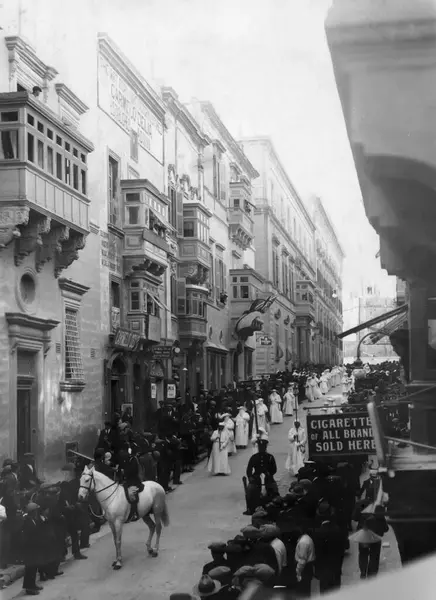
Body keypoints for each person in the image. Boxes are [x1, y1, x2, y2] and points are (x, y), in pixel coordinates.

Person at [59, 463, 88, 560]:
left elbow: (72, 501)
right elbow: (64, 504)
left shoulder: (67, 487)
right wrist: (71, 507)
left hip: (69, 516)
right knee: (66, 535)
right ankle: (66, 554)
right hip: (64, 516)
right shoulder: (64, 489)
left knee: (73, 534)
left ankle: (72, 553)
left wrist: (74, 506)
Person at [244, 438, 278, 516]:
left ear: (265, 447)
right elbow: (249, 469)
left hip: (268, 478)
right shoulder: (254, 457)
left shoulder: (270, 457)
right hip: (256, 478)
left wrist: (269, 474)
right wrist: (250, 477)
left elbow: (274, 469)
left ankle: (274, 507)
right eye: (260, 447)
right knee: (250, 490)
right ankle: (250, 508)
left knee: (274, 489)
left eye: (263, 447)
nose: (261, 448)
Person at [21, 502, 44, 595]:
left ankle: (33, 584)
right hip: (29, 549)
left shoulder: (33, 520)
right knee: (30, 569)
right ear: (32, 512)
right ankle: (29, 588)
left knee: (34, 568)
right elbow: (28, 537)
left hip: (34, 548)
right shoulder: (27, 522)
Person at [118, 447, 142, 522]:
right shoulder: (125, 461)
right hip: (126, 481)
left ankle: (135, 513)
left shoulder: (133, 460)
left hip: (134, 481)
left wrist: (124, 472)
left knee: (132, 495)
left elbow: (133, 471)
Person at [294, 526, 316, 597]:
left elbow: (302, 560)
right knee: (306, 591)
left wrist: (298, 572)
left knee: (303, 592)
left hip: (304, 569)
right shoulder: (306, 538)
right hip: (307, 568)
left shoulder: (303, 542)